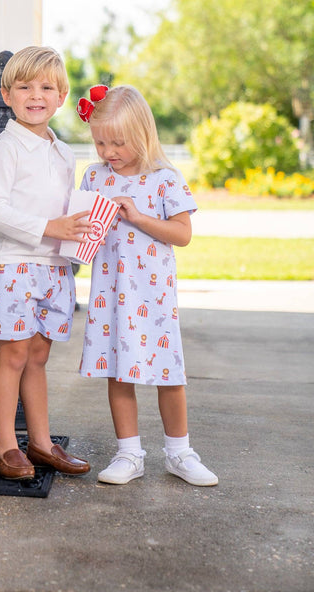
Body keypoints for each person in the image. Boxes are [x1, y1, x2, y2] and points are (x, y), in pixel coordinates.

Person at [76, 84, 218, 487]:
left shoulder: (163, 179)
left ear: (142, 135)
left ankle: (179, 452)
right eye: (100, 142)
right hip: (109, 294)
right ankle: (129, 453)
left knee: (168, 374)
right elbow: (84, 232)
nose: (108, 152)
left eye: (118, 143)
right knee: (119, 373)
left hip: (152, 297)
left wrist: (137, 217)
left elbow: (182, 233)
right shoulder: (93, 177)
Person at [0, 46, 92, 481]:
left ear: (61, 96)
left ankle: (41, 444)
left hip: (54, 268)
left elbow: (68, 214)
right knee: (13, 354)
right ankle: (5, 445)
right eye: (24, 87)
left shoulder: (63, 153)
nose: (35, 95)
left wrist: (80, 234)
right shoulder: (5, 148)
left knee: (39, 355)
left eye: (46, 87)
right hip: (14, 266)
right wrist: (50, 227)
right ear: (7, 95)